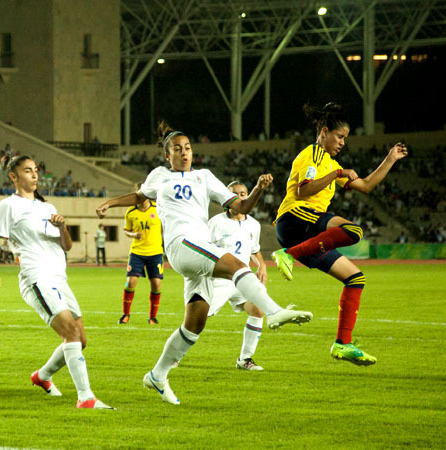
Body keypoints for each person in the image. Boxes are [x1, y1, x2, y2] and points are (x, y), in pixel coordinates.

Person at [96, 121, 313, 405]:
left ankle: (157, 375)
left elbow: (241, 206)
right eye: (177, 149)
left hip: (198, 248)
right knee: (237, 265)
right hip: (181, 243)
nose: (184, 152)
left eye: (187, 148)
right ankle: (274, 312)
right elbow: (139, 196)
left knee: (195, 325)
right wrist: (109, 202)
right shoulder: (159, 175)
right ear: (167, 155)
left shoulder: (205, 177)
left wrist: (258, 189)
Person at [271, 102, 408, 366]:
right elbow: (303, 190)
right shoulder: (313, 155)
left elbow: (365, 185)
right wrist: (336, 173)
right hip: (294, 219)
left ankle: (342, 344)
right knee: (352, 230)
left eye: (345, 138)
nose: (343, 142)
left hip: (307, 235)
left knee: (355, 278)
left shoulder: (331, 163)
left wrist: (390, 158)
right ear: (324, 132)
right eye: (340, 136)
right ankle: (289, 254)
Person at [0, 155, 114, 410]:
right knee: (71, 333)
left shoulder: (47, 207)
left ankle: (42, 376)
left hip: (59, 278)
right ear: (13, 176)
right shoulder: (8, 206)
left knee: (80, 340)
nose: (34, 175)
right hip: (36, 277)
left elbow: (67, 246)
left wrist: (63, 227)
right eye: (28, 170)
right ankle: (85, 398)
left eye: (36, 170)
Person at [207, 181, 269, 371]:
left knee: (257, 310)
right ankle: (174, 355)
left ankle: (245, 359)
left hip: (242, 278)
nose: (240, 197)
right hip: (219, 279)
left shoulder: (254, 225)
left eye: (243, 194)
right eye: (235, 194)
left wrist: (262, 265)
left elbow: (254, 250)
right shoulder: (215, 223)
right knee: (198, 317)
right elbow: (204, 249)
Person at [118, 193, 164, 325]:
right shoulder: (130, 212)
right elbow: (126, 230)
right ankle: (125, 315)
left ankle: (152, 317)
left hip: (155, 252)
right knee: (130, 283)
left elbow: (165, 226)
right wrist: (133, 234)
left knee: (156, 284)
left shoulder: (158, 209)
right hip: (137, 252)